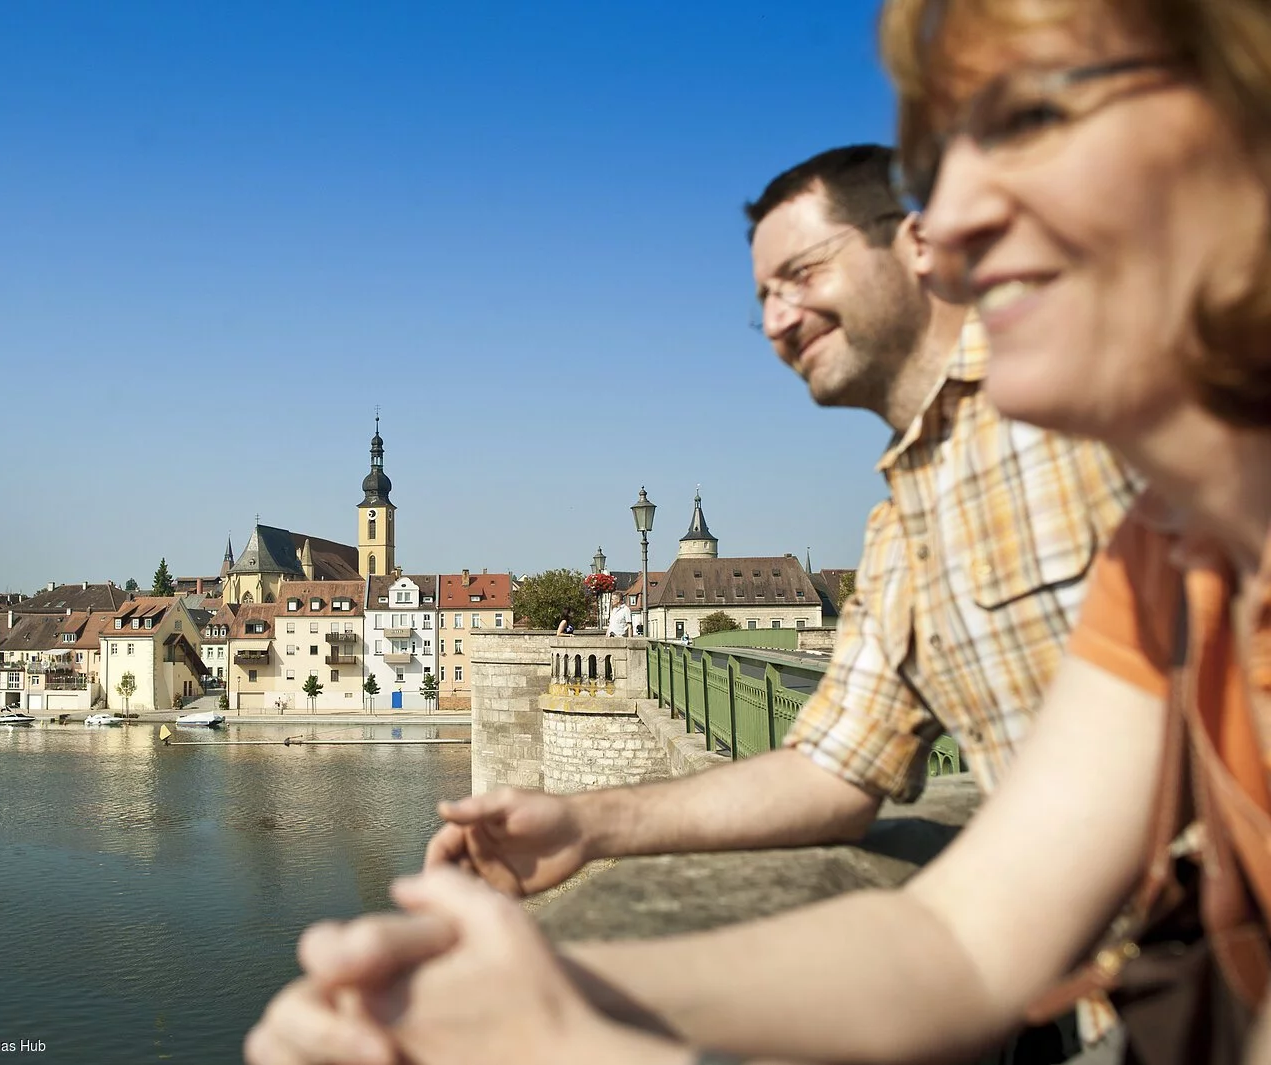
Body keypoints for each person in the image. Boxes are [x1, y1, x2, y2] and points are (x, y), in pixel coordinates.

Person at [243, 1, 1271, 1062]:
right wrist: (560, 921)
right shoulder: (1110, 538)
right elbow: (929, 896)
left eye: (1032, 124)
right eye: (760, 299)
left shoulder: (1095, 436)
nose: (956, 212)